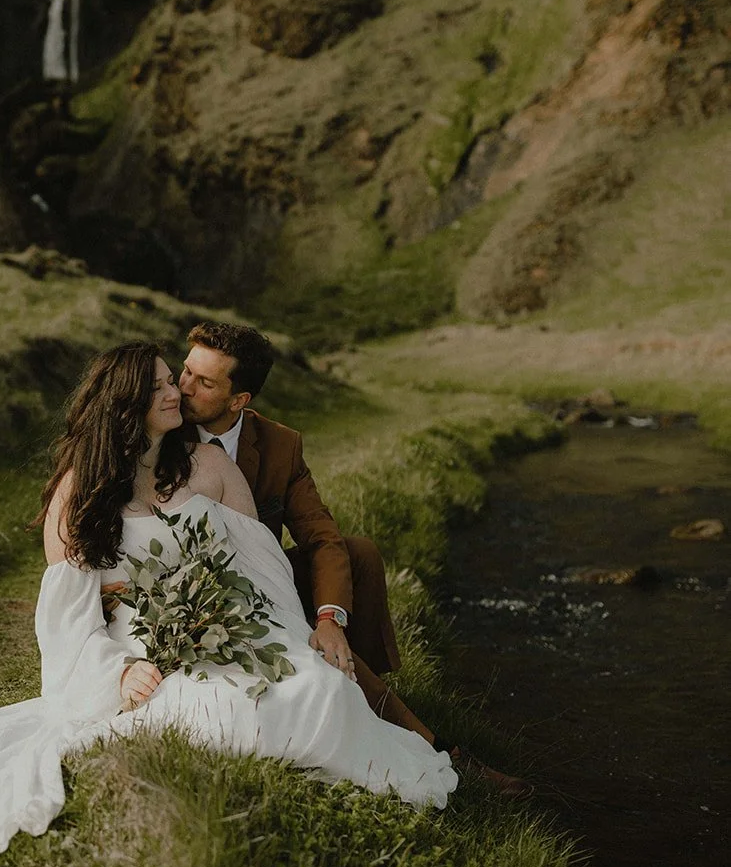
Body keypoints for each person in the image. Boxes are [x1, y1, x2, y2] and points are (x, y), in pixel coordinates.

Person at [0, 343, 456, 867]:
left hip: (229, 623)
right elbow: (68, 613)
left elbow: (258, 563)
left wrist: (275, 632)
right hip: (141, 641)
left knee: (310, 689)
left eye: (180, 381)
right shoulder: (82, 489)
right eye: (163, 384)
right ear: (126, 404)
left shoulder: (207, 464)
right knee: (211, 715)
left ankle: (374, 725)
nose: (177, 393)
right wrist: (117, 670)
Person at [179, 321, 530, 795]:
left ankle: (357, 682)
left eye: (204, 382)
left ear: (239, 399)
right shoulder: (164, 428)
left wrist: (329, 618)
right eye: (186, 371)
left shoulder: (279, 443)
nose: (184, 387)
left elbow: (321, 535)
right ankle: (440, 751)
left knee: (357, 552)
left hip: (266, 581)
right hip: (198, 592)